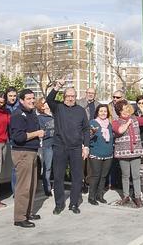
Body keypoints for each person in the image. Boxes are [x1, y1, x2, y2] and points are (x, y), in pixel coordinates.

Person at [47, 79, 90, 215]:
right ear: (64, 97)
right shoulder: (58, 107)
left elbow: (86, 129)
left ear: (75, 97)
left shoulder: (81, 110)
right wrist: (58, 86)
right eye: (68, 96)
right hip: (60, 147)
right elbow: (49, 99)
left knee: (77, 177)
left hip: (76, 148)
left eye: (73, 96)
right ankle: (59, 204)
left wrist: (86, 146)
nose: (70, 98)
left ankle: (73, 204)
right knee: (58, 177)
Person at [9, 89, 44, 228]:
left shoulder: (31, 113)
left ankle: (27, 213)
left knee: (32, 185)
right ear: (21, 100)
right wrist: (37, 133)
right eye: (28, 98)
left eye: (33, 98)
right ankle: (19, 217)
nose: (32, 101)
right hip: (22, 152)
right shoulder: (18, 114)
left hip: (31, 152)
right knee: (23, 187)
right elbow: (19, 137)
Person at [112, 101, 143, 208]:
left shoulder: (135, 119)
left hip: (135, 151)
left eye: (126, 108)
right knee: (125, 176)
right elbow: (120, 130)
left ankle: (137, 196)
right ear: (118, 112)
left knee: (136, 175)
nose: (125, 111)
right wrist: (128, 123)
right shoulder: (116, 121)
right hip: (123, 153)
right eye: (122, 110)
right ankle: (126, 196)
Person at [87, 104, 114, 205]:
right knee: (96, 176)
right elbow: (87, 137)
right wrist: (92, 133)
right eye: (101, 111)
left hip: (108, 154)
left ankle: (100, 196)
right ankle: (91, 197)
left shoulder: (109, 124)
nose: (103, 113)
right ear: (97, 112)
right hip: (96, 154)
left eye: (105, 111)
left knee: (103, 176)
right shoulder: (93, 123)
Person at [36, 98, 55, 196]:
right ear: (42, 106)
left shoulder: (54, 115)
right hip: (47, 145)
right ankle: (47, 188)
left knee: (57, 167)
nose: (48, 103)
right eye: (45, 102)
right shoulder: (40, 118)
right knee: (47, 167)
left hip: (58, 145)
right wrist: (53, 133)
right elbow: (41, 133)